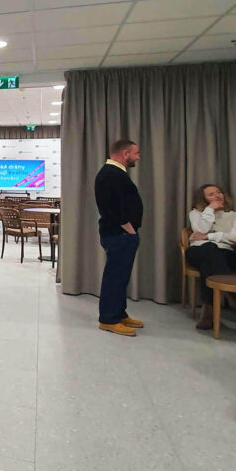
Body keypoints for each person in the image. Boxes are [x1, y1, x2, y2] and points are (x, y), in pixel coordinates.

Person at [94, 139, 144, 336]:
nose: (138, 157)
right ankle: (108, 319)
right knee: (115, 277)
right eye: (136, 153)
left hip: (122, 234)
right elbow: (112, 207)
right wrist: (129, 229)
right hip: (119, 234)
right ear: (125, 153)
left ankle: (119, 313)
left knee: (121, 277)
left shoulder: (115, 173)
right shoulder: (110, 174)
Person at [185, 184, 236, 330]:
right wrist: (210, 209)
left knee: (210, 256)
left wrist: (210, 237)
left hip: (224, 252)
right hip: (197, 251)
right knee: (209, 248)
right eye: (211, 195)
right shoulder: (196, 214)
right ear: (203, 199)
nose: (217, 196)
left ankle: (208, 310)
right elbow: (201, 229)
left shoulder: (235, 216)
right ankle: (230, 291)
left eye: (219, 192)